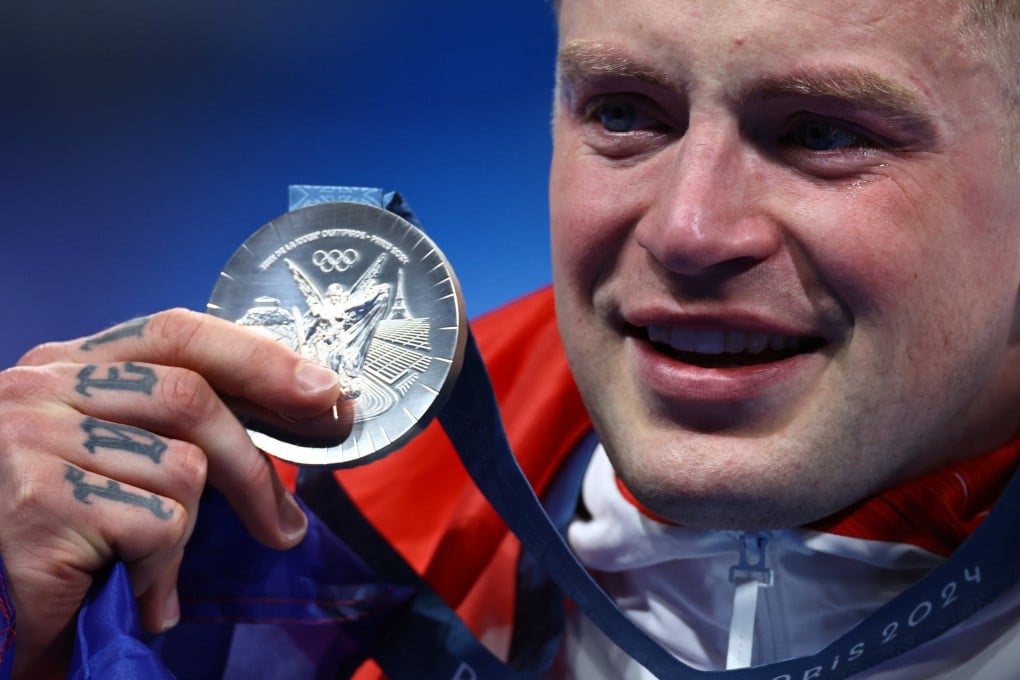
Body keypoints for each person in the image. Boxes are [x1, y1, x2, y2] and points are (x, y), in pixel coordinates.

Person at [2, 0, 1019, 677]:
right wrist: (30, 641)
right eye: (624, 112)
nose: (689, 229)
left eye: (823, 133)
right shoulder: (263, 548)